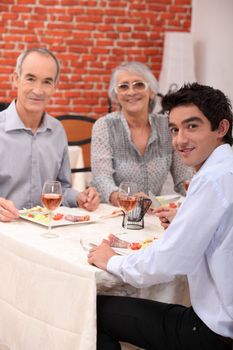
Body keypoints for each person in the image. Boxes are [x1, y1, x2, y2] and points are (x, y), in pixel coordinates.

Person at [88, 83, 233, 350]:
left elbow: (168, 262)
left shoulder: (213, 179)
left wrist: (112, 261)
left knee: (92, 311)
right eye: (175, 129)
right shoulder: (225, 167)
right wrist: (185, 217)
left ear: (221, 128)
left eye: (192, 126)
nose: (180, 140)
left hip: (216, 334)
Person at [0, 47, 99, 222]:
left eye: (47, 82)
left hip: (46, 230)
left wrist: (79, 197)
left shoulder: (57, 131)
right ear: (16, 79)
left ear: (55, 86)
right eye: (30, 79)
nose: (38, 90)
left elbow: (61, 189)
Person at [91, 61, 192, 205]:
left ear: (151, 92)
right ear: (116, 95)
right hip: (117, 213)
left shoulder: (168, 126)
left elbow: (184, 179)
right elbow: (101, 179)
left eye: (139, 84)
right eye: (123, 86)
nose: (131, 92)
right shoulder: (104, 126)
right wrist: (125, 200)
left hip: (154, 214)